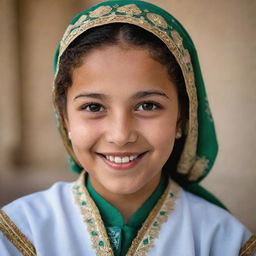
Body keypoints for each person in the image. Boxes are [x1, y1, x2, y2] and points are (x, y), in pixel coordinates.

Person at [0, 0, 255, 255]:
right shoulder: (21, 232)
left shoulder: (222, 240)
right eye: (93, 107)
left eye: (147, 106)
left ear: (182, 119)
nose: (120, 136)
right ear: (65, 118)